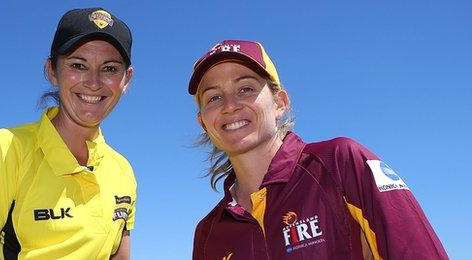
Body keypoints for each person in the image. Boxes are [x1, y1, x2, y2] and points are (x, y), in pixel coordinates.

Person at [188, 39, 447, 259]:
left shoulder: (340, 163)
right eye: (214, 97)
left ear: (280, 103)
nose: (229, 105)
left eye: (245, 89)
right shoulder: (208, 233)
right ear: (203, 122)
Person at [0, 8, 136, 260]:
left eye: (110, 69)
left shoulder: (122, 172)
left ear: (126, 79)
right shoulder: (7, 148)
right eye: (78, 65)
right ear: (52, 71)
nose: (93, 81)